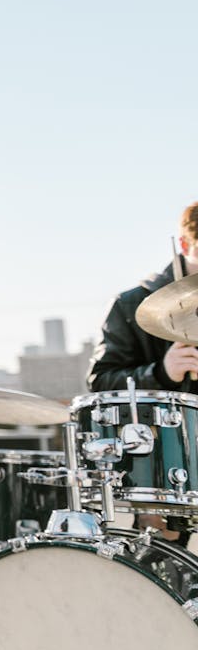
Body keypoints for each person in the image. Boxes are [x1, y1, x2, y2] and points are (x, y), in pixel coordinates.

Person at [87, 201, 198, 543]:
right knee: (165, 570)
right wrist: (161, 373)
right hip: (164, 467)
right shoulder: (132, 304)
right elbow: (99, 383)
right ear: (184, 245)